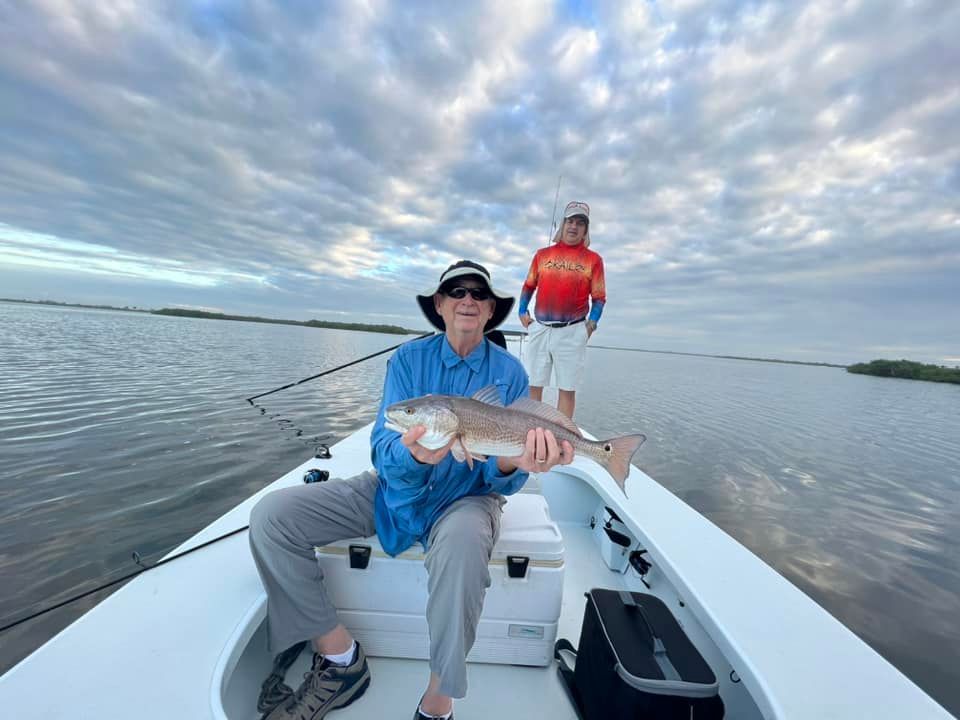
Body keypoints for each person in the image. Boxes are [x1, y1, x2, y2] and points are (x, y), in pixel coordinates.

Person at [249, 259, 574, 720]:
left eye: (478, 294)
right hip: (393, 491)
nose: (467, 300)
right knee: (272, 516)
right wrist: (414, 456)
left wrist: (511, 460)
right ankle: (339, 658)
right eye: (456, 292)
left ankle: (438, 701)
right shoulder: (406, 360)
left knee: (463, 542)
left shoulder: (510, 374)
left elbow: (505, 476)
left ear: (489, 311)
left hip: (467, 498)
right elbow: (382, 446)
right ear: (439, 305)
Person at [518, 200, 606, 419]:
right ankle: (532, 434)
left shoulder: (594, 260)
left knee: (567, 389)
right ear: (562, 224)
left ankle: (563, 441)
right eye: (570, 221)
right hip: (540, 328)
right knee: (533, 384)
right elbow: (529, 285)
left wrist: (590, 326)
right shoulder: (542, 255)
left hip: (573, 330)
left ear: (586, 229)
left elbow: (599, 298)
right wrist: (522, 312)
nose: (574, 227)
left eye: (580, 223)